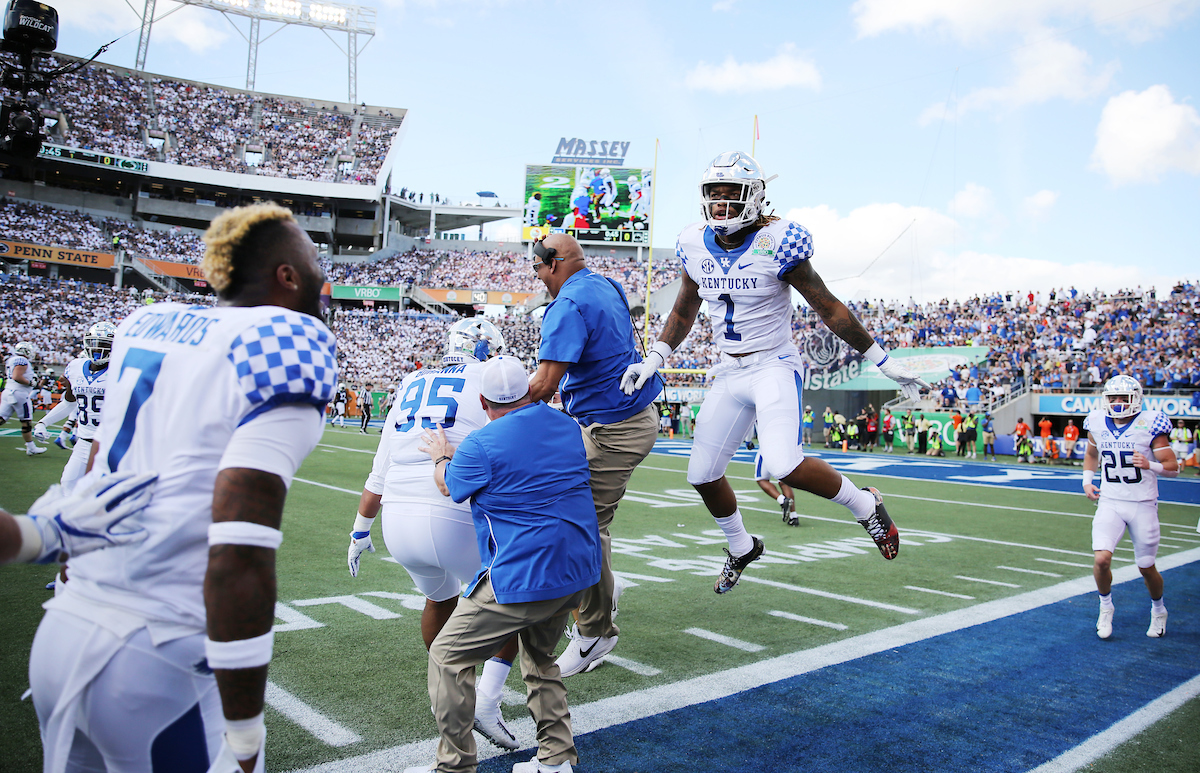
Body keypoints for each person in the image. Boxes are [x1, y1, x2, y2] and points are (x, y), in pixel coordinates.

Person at [26, 202, 336, 772]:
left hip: (65, 630)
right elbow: (239, 551)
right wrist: (243, 731)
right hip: (155, 659)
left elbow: (98, 460)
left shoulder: (149, 324)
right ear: (288, 276)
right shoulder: (285, 340)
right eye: (314, 259)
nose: (324, 274)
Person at [622, 151, 928, 595]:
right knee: (702, 474)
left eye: (732, 194)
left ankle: (866, 504)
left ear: (755, 197)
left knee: (783, 462)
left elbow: (827, 305)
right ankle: (741, 546)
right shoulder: (692, 241)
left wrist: (880, 358)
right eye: (714, 194)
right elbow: (686, 305)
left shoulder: (779, 241)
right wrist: (657, 354)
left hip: (773, 364)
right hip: (728, 370)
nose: (722, 205)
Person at [411, 356, 601, 773]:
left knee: (447, 656)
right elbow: (522, 451)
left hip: (524, 574)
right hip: (578, 569)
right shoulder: (566, 425)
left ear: (482, 401)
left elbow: (450, 484)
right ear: (527, 390)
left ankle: (455, 767)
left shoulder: (481, 445)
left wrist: (441, 456)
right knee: (539, 658)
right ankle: (556, 759)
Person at [346, 318, 521, 752]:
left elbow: (378, 472)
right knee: (513, 602)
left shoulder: (409, 381)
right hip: (454, 511)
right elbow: (514, 442)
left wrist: (358, 530)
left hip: (396, 521)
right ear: (486, 349)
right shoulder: (487, 378)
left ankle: (447, 687)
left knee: (439, 598)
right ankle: (488, 700)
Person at [526, 233, 661, 676]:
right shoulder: (606, 284)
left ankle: (596, 632)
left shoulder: (565, 305)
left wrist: (493, 399)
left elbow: (544, 385)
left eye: (538, 269)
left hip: (614, 428)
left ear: (555, 264)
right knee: (563, 502)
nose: (539, 278)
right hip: (614, 418)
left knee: (584, 525)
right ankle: (604, 588)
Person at [1083, 375, 1178, 639]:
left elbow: (1173, 467)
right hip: (1110, 501)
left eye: (1122, 397)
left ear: (1135, 398)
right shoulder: (1098, 421)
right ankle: (1105, 607)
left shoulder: (1150, 423)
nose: (1117, 402)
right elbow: (1092, 454)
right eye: (1112, 397)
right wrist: (1087, 481)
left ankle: (1158, 610)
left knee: (1146, 567)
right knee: (1101, 559)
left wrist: (1151, 465)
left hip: (1142, 503)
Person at [33, 322, 115, 495]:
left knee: (107, 495)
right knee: (67, 486)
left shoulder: (121, 369)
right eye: (94, 343)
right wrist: (43, 422)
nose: (98, 349)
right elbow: (69, 402)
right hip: (83, 443)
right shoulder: (75, 367)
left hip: (111, 444)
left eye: (104, 345)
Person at [1, 341, 47, 455]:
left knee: (1, 418)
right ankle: (31, 447)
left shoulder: (11, 359)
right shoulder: (22, 360)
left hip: (9, 391)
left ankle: (31, 447)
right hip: (19, 393)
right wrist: (30, 383)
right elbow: (17, 376)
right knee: (26, 421)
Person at [754, 450, 797, 526]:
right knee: (784, 481)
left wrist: (748, 441)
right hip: (786, 452)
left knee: (761, 479)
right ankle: (793, 516)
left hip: (768, 450)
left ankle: (782, 500)